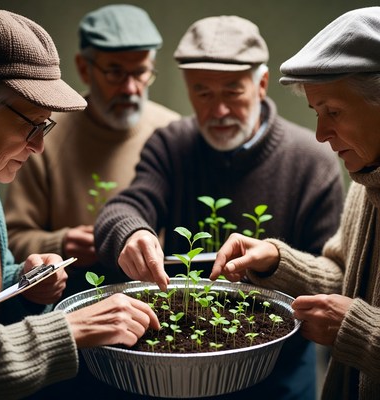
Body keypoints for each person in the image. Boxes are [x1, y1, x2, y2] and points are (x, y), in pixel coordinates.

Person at [94, 15, 345, 400]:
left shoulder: (313, 162)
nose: (220, 111)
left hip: (279, 376)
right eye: (203, 93)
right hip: (181, 374)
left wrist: (276, 266)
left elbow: (330, 277)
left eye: (232, 91)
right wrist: (133, 232)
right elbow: (126, 205)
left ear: (261, 85)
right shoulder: (170, 145)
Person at [0, 9, 159, 400]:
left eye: (46, 126)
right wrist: (67, 329)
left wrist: (21, 284)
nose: (39, 145)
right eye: (31, 123)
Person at [209, 7, 380, 400]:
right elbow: (343, 276)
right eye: (316, 113)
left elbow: (355, 314)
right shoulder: (366, 176)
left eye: (333, 112)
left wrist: (361, 331)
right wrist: (275, 261)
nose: (321, 133)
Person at [4, 4, 180, 298]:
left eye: (141, 73)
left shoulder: (172, 133)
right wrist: (61, 243)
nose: (130, 88)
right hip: (70, 299)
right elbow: (10, 242)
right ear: (84, 68)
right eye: (115, 72)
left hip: (156, 297)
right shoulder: (42, 134)